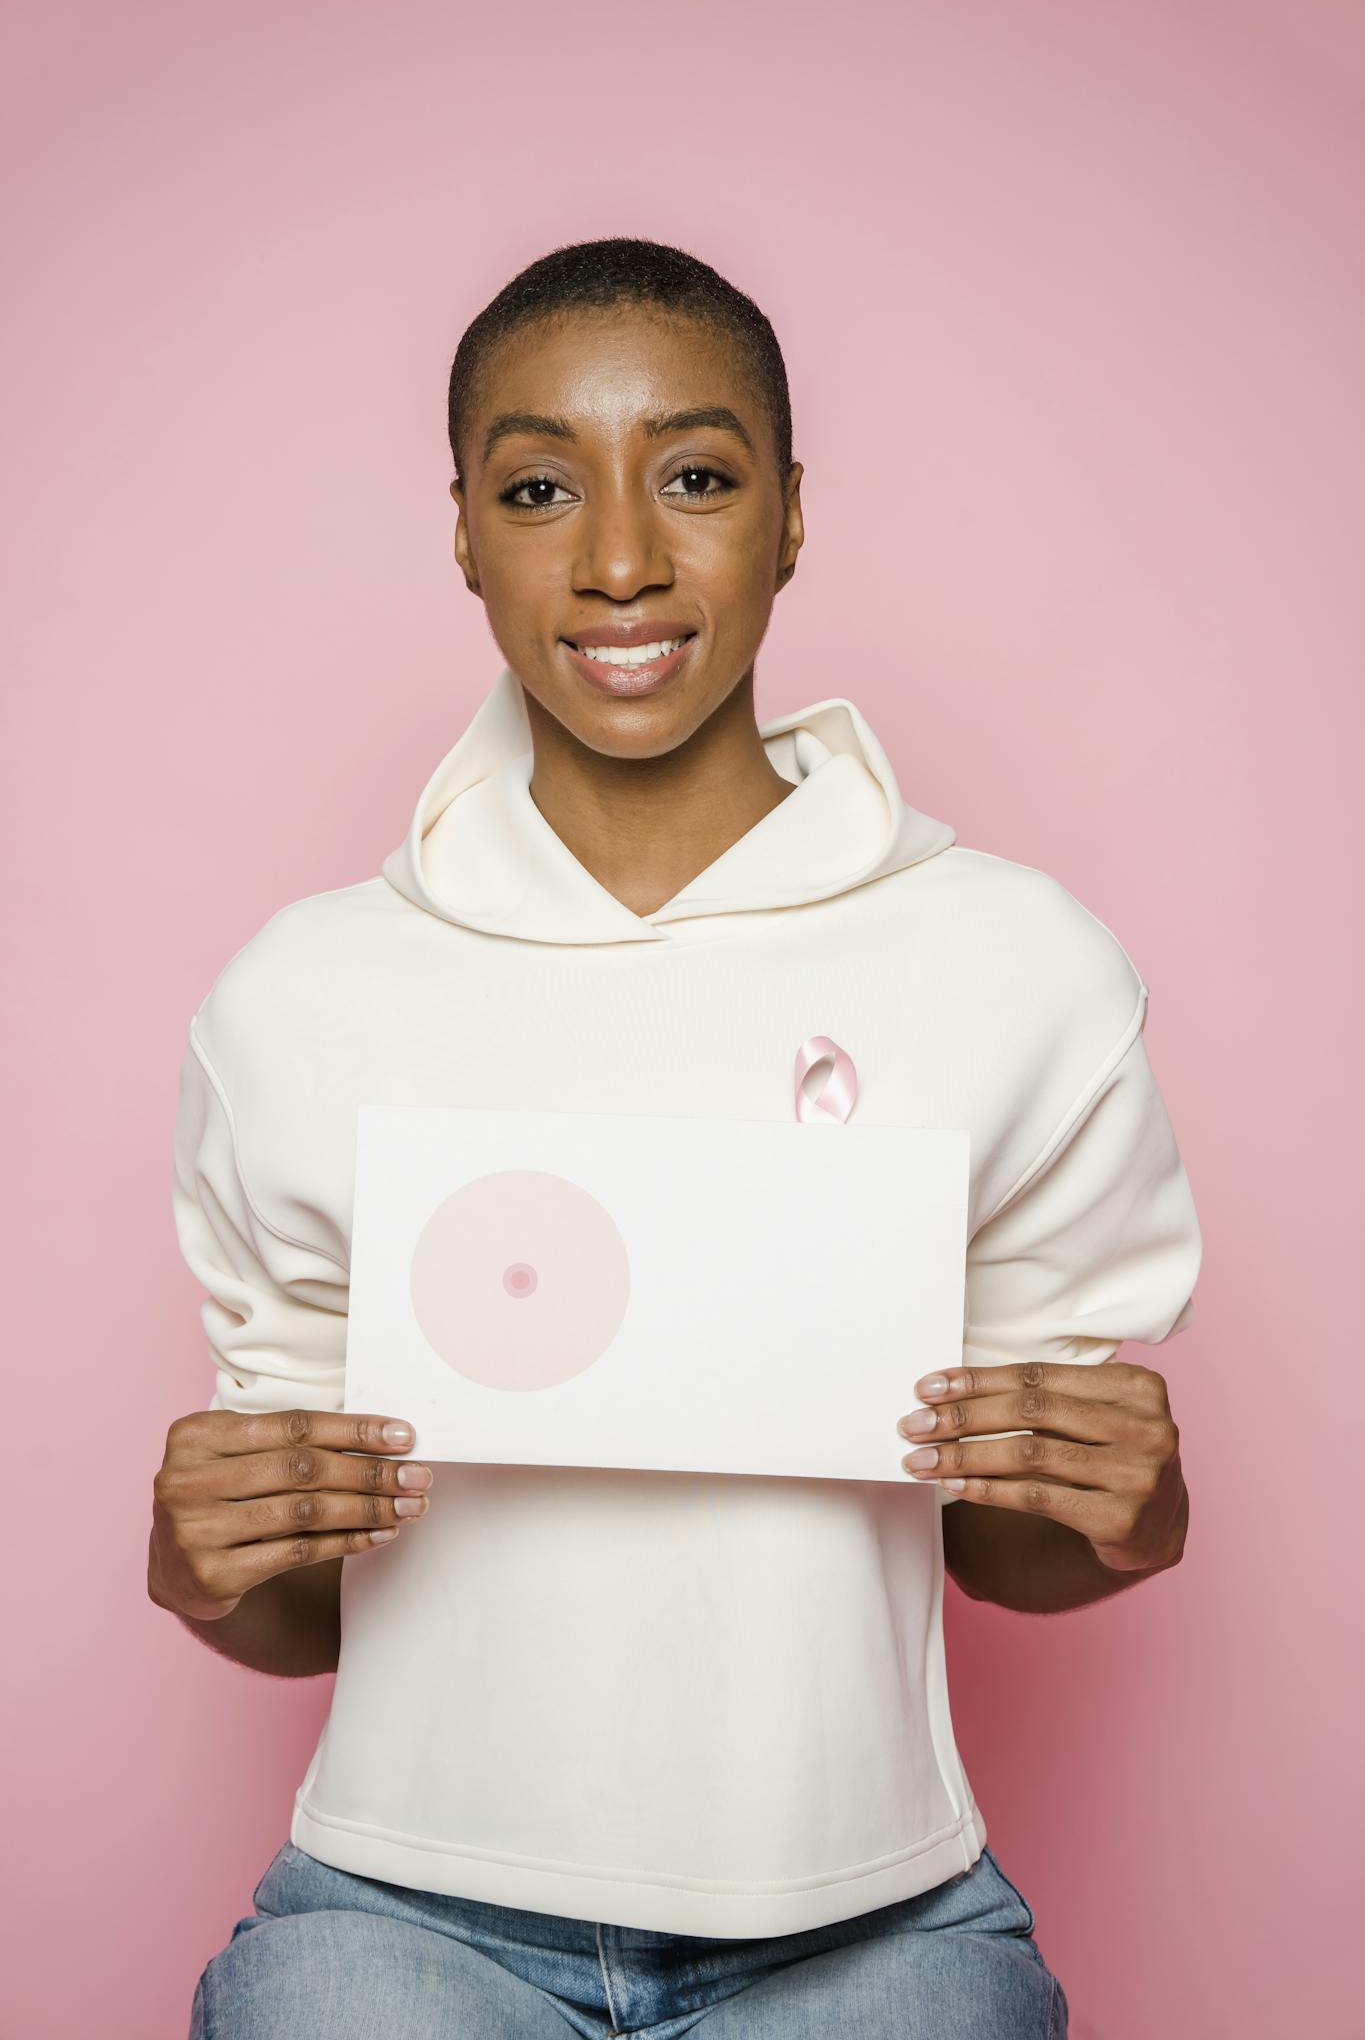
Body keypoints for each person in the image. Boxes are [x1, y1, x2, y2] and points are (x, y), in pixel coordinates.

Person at [150, 236, 1203, 2039]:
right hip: (402, 1912)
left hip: (875, 1917)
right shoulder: (297, 998)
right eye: (540, 487)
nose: (621, 559)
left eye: (698, 478)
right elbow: (306, 1599)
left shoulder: (1013, 964)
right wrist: (208, 1568)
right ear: (465, 532)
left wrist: (1134, 1508)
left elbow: (1001, 1544)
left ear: (791, 516)